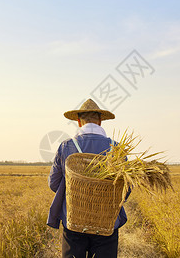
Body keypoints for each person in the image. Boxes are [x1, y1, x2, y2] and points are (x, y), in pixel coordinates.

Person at [47, 99, 128, 258]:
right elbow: (126, 187)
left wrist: (76, 193)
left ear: (78, 121)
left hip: (74, 222)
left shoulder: (66, 146)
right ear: (100, 121)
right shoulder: (116, 149)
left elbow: (54, 183)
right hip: (107, 222)